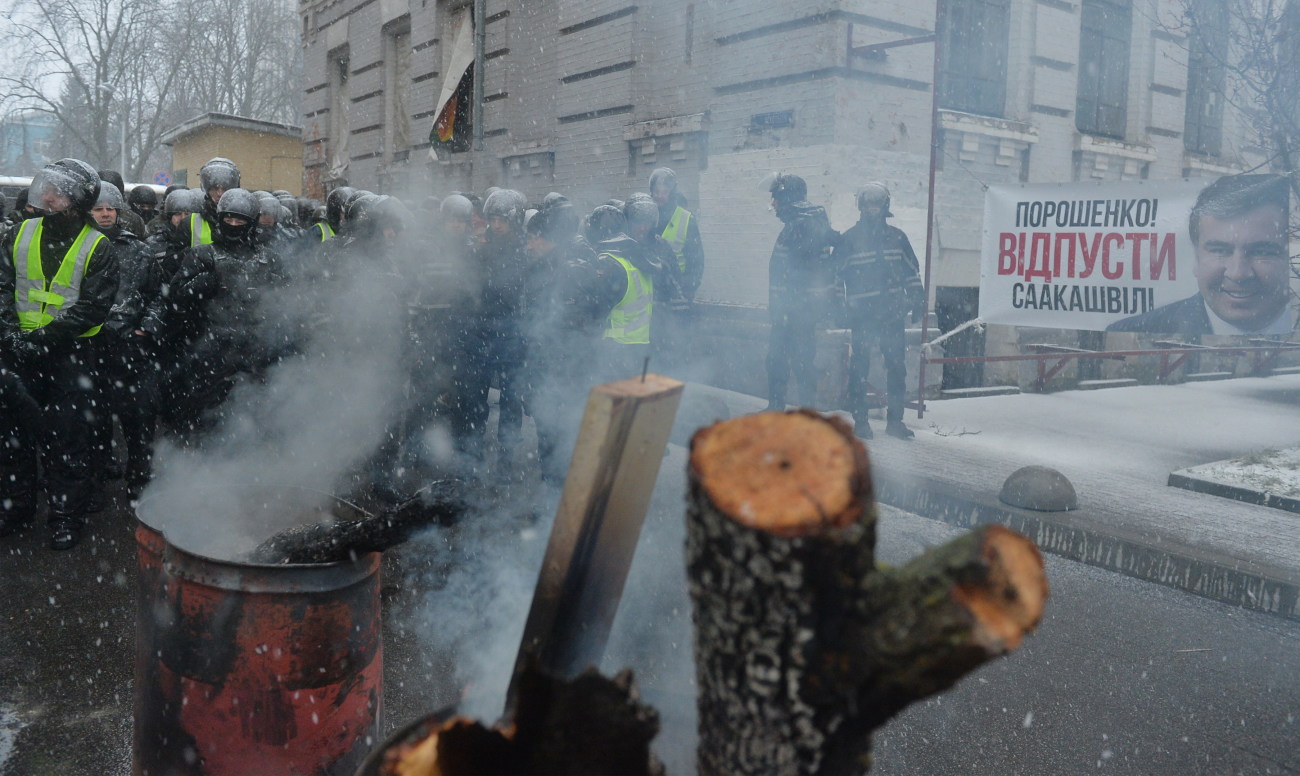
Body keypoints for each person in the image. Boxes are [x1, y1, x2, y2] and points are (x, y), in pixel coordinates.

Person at [0, 159, 119, 550]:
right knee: (12, 438)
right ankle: (15, 509)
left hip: (71, 356)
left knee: (67, 440)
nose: (47, 197)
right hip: (18, 352)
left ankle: (66, 517)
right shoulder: (18, 234)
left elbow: (92, 307)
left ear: (78, 201)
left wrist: (44, 338)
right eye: (45, 188)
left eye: (58, 192)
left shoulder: (98, 245)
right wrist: (12, 334)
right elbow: (2, 286)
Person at [148, 188, 285, 442]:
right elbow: (175, 299)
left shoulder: (268, 259)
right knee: (208, 415)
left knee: (256, 411)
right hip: (211, 349)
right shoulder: (202, 254)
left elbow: (286, 301)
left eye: (240, 220)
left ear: (251, 223)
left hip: (255, 347)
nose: (233, 225)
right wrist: (200, 286)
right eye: (229, 219)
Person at [1107, 174, 1294, 336]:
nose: (1238, 273)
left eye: (1261, 252)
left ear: (1291, 257)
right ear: (1196, 258)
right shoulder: (1129, 330)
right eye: (1220, 250)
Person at [836, 182, 924, 439]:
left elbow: (911, 273)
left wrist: (917, 300)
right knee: (859, 368)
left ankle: (895, 422)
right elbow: (835, 277)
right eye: (867, 203)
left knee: (897, 367)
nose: (871, 209)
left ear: (884, 206)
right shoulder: (849, 239)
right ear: (860, 206)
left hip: (892, 315)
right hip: (861, 317)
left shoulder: (898, 238)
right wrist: (839, 307)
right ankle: (861, 421)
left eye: (876, 203)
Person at [90, 182, 158, 493]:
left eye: (109, 208)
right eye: (98, 208)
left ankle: (139, 478)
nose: (105, 214)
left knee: (138, 418)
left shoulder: (140, 251)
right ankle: (100, 472)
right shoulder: (79, 247)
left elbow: (157, 295)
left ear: (118, 211)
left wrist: (146, 326)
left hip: (132, 346)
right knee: (95, 417)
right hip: (91, 345)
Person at [763, 172, 838, 411]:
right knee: (781, 360)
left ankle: (803, 411)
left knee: (796, 360)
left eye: (776, 197)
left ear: (788, 198)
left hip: (797, 312)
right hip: (791, 311)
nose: (773, 204)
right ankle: (782, 407)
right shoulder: (801, 223)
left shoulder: (803, 226)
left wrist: (790, 308)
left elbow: (802, 274)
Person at [649, 167, 705, 300]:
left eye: (664, 192)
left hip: (678, 287)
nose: (659, 196)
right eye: (656, 191)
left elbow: (696, 258)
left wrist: (690, 286)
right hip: (652, 287)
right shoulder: (646, 215)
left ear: (672, 193)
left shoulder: (686, 219)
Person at [183, 157, 241, 247]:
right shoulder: (190, 222)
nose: (219, 193)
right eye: (214, 188)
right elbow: (175, 256)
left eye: (225, 189)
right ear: (207, 190)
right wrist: (198, 255)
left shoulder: (245, 218)